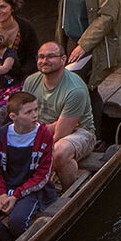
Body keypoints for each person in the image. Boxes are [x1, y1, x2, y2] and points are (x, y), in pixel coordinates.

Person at [0, 90, 57, 241]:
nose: (34, 115)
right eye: (28, 112)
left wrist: (16, 195)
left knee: (18, 222)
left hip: (32, 190)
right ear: (13, 117)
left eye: (35, 110)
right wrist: (1, 193)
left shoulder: (44, 136)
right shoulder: (0, 136)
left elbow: (43, 174)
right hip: (5, 186)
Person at [25, 38, 95, 190]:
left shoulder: (74, 90)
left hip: (79, 131)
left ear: (63, 60)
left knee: (59, 152)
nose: (44, 61)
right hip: (42, 129)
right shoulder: (31, 82)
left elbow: (61, 133)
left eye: (50, 56)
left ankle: (69, 191)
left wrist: (36, 137)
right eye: (41, 57)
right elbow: (23, 117)